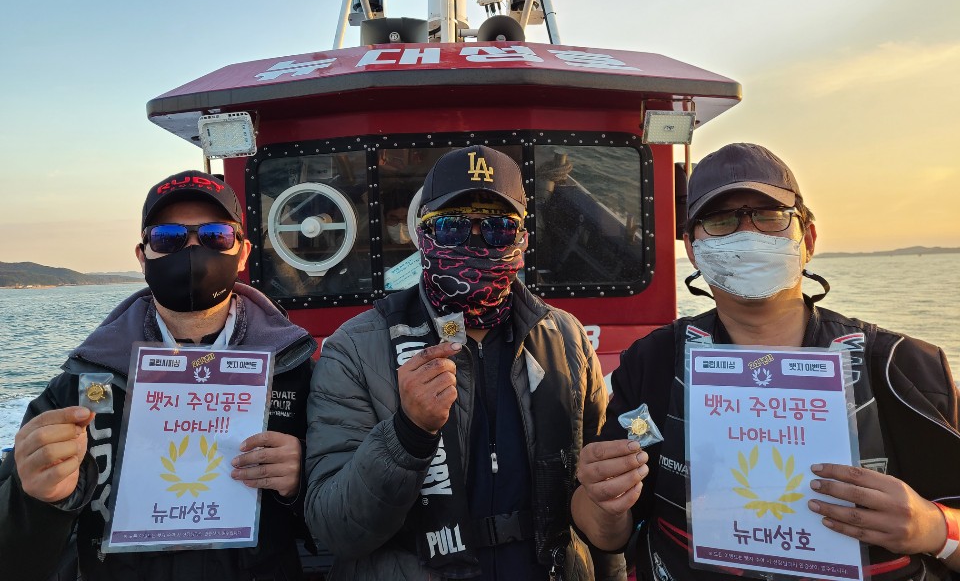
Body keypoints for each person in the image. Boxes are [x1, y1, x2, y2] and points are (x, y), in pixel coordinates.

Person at [572, 143, 960, 581]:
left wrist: (934, 528)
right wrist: (602, 499)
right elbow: (605, 534)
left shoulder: (901, 367)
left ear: (807, 239)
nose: (747, 233)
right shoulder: (654, 362)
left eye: (770, 215)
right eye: (721, 221)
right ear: (693, 250)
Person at [305, 145, 621, 580]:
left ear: (522, 240)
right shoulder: (354, 349)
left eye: (497, 229)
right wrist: (407, 434)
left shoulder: (567, 338)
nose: (474, 241)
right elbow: (334, 528)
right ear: (423, 235)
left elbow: (600, 486)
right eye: (451, 227)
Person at [0, 171, 317, 580]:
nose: (193, 250)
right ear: (142, 255)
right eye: (168, 238)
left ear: (242, 253)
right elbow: (15, 560)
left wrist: (303, 480)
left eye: (216, 236)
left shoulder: (295, 373)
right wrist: (36, 499)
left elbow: (347, 523)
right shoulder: (80, 384)